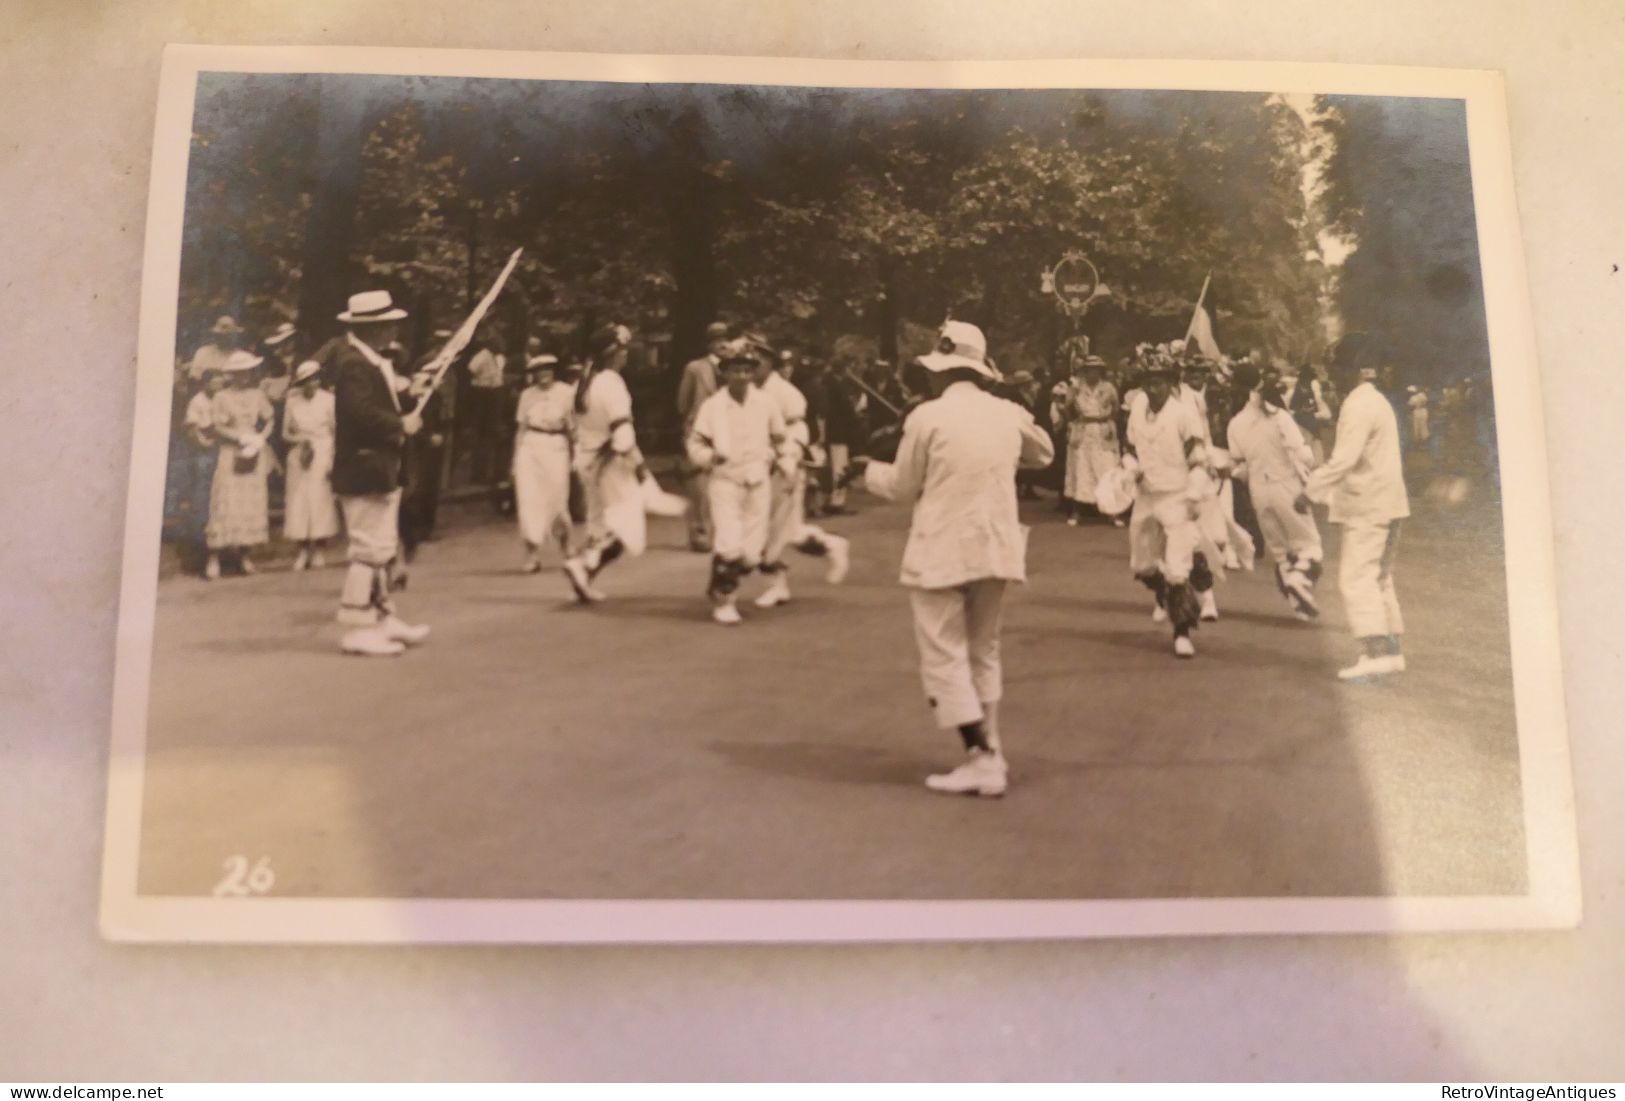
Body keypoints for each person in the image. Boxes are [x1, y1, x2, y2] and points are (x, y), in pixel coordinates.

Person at [862, 321, 1054, 797]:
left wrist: (867, 472)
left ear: (944, 372)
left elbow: (903, 486)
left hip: (943, 548)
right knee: (983, 650)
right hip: (995, 545)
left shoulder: (926, 417)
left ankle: (982, 758)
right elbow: (1044, 454)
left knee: (944, 654)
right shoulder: (1007, 412)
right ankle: (993, 746)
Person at [327, 290, 432, 657]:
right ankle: (358, 628)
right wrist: (400, 423)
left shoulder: (371, 362)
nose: (394, 328)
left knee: (382, 546)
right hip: (363, 466)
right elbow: (359, 413)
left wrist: (410, 398)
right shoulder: (353, 363)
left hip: (380, 465)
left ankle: (382, 617)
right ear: (372, 327)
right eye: (389, 323)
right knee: (367, 549)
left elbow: (380, 404)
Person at [1303, 341, 1411, 681]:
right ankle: (1392, 652)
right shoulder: (1376, 401)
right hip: (1389, 502)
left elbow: (1345, 458)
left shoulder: (1357, 404)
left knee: (1356, 578)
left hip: (1369, 504)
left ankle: (1374, 652)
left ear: (1351, 370)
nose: (1331, 377)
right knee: (1379, 577)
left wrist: (1310, 490)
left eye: (1335, 369)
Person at [686, 339, 791, 624]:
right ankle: (725, 601)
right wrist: (709, 457)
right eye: (736, 371)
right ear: (725, 372)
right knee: (729, 542)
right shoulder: (713, 406)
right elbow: (695, 444)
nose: (742, 377)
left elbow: (781, 439)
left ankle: (719, 582)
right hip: (726, 481)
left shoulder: (766, 402)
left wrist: (784, 463)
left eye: (747, 370)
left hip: (758, 480)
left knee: (751, 552)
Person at [749, 337, 851, 608]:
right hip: (755, 468)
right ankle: (830, 546)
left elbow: (798, 430)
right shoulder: (747, 391)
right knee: (789, 531)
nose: (752, 366)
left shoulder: (784, 393)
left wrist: (789, 459)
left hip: (783, 468)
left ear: (770, 362)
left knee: (770, 529)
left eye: (758, 360)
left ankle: (775, 583)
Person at [1123, 357, 1211, 658]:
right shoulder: (1136, 410)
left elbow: (1199, 460)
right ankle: (1167, 595)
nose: (1152, 387)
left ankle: (1182, 631)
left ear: (1171, 383)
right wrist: (1129, 470)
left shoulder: (1184, 414)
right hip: (1147, 495)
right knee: (1142, 565)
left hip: (1177, 495)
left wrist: (1195, 496)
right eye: (1147, 381)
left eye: (1159, 381)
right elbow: (1130, 450)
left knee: (1177, 567)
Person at [1226, 363, 1324, 619]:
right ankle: (1299, 581)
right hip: (1286, 485)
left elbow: (1239, 466)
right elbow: (1304, 454)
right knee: (1310, 545)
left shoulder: (1235, 424)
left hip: (1259, 492)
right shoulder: (1278, 416)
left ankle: (1298, 602)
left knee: (1280, 552)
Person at [562, 324, 649, 602]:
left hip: (586, 459)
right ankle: (582, 564)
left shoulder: (583, 383)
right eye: (623, 350)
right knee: (627, 526)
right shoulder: (611, 382)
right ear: (614, 353)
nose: (626, 356)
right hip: (609, 461)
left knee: (598, 523)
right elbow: (621, 431)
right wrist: (638, 464)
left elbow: (577, 428)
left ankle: (584, 577)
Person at [203, 349, 276, 581]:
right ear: (231, 375)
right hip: (231, 450)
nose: (243, 377)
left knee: (250, 503)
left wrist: (261, 437)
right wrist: (238, 437)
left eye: (247, 372)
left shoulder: (257, 395)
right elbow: (217, 426)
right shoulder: (221, 397)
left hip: (253, 450)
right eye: (238, 373)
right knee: (226, 501)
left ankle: (245, 556)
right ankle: (214, 558)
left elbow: (270, 418)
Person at [512, 354, 577, 572]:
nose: (544, 374)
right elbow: (521, 429)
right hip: (530, 447)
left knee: (557, 500)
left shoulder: (567, 393)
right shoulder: (527, 395)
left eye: (548, 370)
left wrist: (577, 455)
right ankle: (532, 554)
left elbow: (573, 429)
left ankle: (566, 546)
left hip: (556, 446)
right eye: (539, 370)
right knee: (529, 500)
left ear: (554, 371)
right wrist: (514, 459)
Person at [281, 358, 340, 570]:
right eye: (306, 380)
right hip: (299, 454)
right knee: (299, 501)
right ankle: (303, 550)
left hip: (323, 452)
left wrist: (333, 458)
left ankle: (320, 550)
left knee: (320, 500)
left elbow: (335, 432)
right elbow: (285, 433)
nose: (310, 384)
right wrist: (300, 441)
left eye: (314, 379)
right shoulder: (292, 401)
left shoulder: (329, 400)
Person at [676, 321, 730, 551]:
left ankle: (721, 533)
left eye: (724, 339)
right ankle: (699, 532)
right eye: (716, 340)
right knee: (699, 484)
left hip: (726, 431)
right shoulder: (695, 368)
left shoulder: (733, 368)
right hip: (701, 429)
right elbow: (682, 403)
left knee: (724, 483)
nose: (721, 344)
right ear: (709, 344)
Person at [1057, 354, 1121, 525]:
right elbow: (1067, 410)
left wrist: (1106, 422)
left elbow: (1115, 409)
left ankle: (1112, 512)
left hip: (1102, 431)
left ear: (1101, 372)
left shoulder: (1109, 388)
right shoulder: (1076, 388)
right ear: (1084, 372)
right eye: (1089, 370)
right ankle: (1076, 512)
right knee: (1081, 469)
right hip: (1082, 433)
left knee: (1107, 469)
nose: (1093, 374)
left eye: (1096, 370)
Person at [174, 366, 225, 573]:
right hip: (204, 451)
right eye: (215, 381)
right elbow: (192, 429)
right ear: (206, 383)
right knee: (203, 497)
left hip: (221, 447)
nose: (219, 385)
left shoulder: (223, 398)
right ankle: (200, 555)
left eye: (221, 381)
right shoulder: (198, 401)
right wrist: (206, 444)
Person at [465, 332, 509, 484]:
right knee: (481, 434)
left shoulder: (500, 358)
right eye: (496, 343)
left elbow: (500, 375)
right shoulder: (482, 355)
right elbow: (470, 369)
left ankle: (497, 472)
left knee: (495, 433)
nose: (499, 345)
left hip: (496, 393)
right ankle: (478, 474)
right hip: (482, 394)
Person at [186, 315, 243, 381]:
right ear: (215, 335)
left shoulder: (240, 355)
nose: (224, 338)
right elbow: (193, 376)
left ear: (235, 335)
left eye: (229, 335)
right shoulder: (203, 352)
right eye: (220, 335)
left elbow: (241, 379)